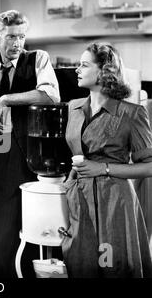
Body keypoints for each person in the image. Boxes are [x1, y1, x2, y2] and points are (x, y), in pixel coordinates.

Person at [0, 10, 60, 278]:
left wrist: (7, 99)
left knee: (7, 237)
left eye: (21, 36)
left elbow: (50, 95)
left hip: (18, 158)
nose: (17, 43)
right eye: (10, 37)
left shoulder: (37, 59)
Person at [63, 42, 152, 278]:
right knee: (80, 265)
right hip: (79, 200)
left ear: (104, 71)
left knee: (113, 268)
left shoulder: (132, 113)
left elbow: (150, 166)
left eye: (84, 65)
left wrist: (102, 168)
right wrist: (69, 182)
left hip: (114, 203)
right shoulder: (73, 108)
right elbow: (74, 152)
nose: (77, 70)